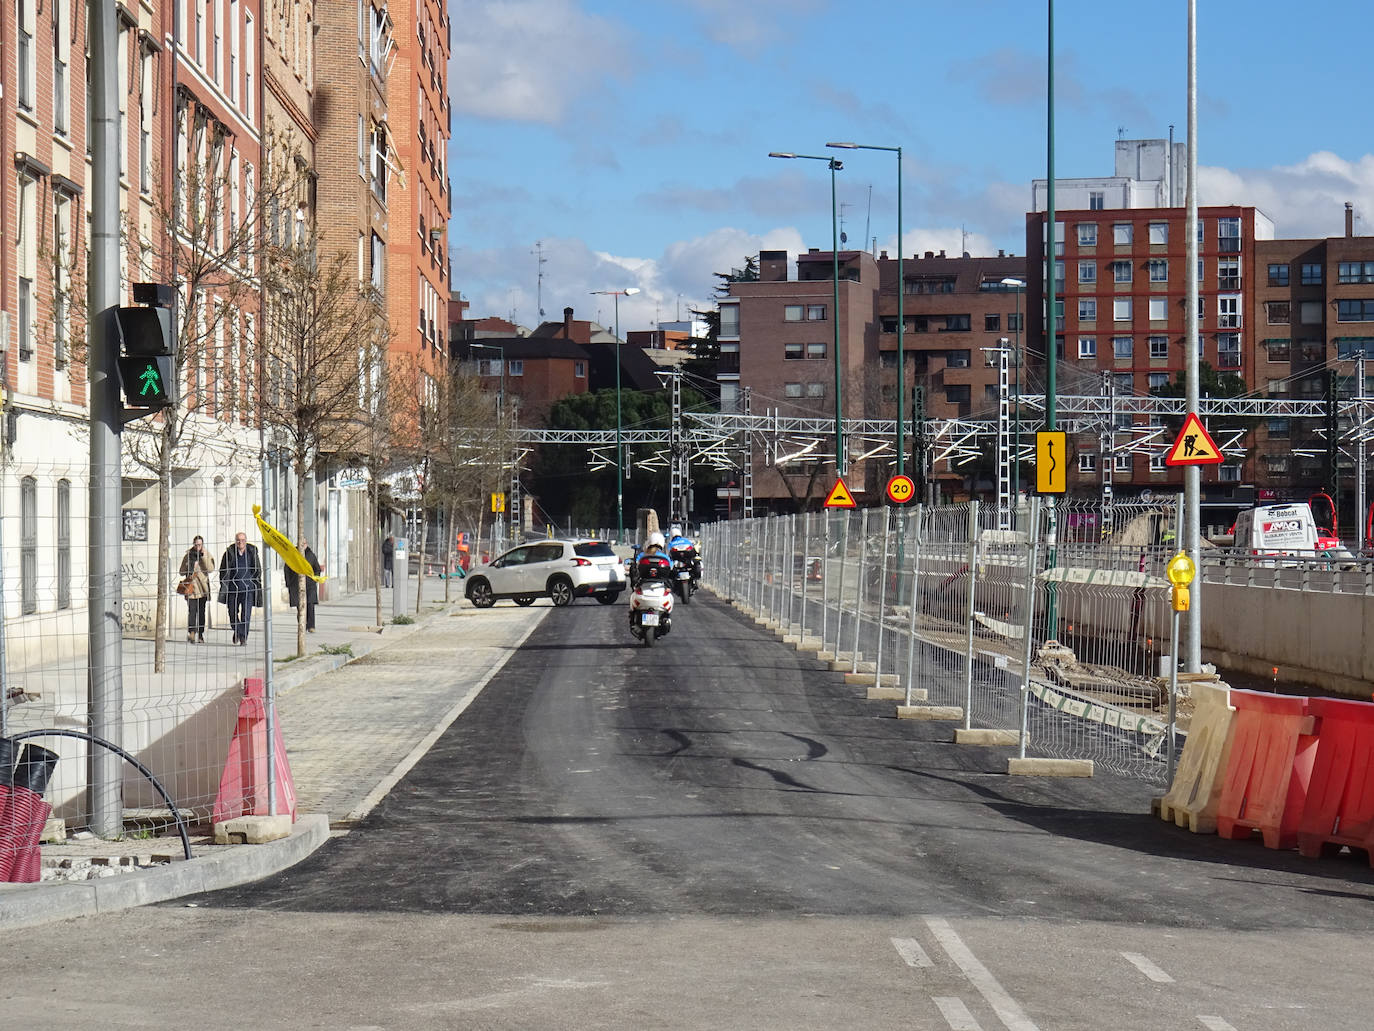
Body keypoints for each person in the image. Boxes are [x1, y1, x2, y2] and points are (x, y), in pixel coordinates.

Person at [218, 531, 263, 646]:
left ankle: (243, 637)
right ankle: (238, 631)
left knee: (245, 615)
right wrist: (224, 584)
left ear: (246, 541)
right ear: (235, 541)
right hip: (233, 589)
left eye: (243, 540)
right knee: (232, 614)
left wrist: (254, 583)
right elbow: (223, 570)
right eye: (238, 540)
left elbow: (257, 569)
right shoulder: (229, 553)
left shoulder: (251, 552)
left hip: (248, 589)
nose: (240, 542)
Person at [178, 535, 214, 643]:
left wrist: (202, 557)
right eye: (196, 544)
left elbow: (210, 568)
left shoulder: (206, 554)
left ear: (202, 545)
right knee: (192, 611)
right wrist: (188, 565)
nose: (197, 547)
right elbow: (181, 571)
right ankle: (192, 632)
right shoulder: (188, 555)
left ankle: (201, 634)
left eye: (199, 544)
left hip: (202, 588)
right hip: (191, 588)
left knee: (201, 612)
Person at [285, 539, 323, 632]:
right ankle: (302, 624)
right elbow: (287, 569)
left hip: (309, 585)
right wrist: (289, 583)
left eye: (304, 543)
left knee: (310, 605)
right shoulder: (293, 555)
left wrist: (315, 578)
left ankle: (311, 626)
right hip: (296, 585)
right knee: (299, 606)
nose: (303, 545)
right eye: (301, 544)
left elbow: (317, 569)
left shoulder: (311, 555)